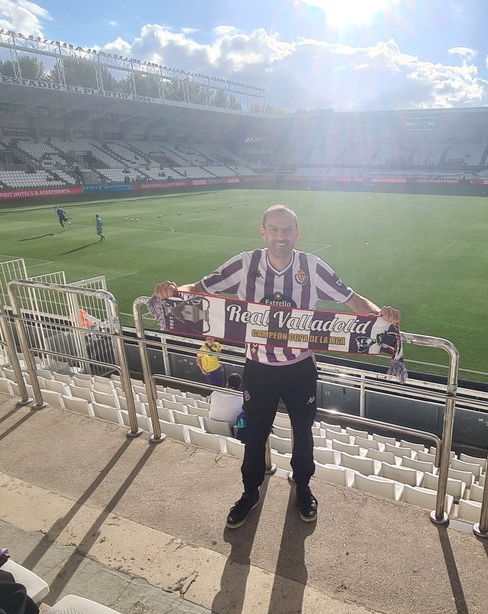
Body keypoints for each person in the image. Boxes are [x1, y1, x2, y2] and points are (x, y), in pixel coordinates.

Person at [152, 204, 400, 528]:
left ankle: (303, 488)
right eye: (274, 229)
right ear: (263, 232)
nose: (280, 236)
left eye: (287, 230)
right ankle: (249, 492)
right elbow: (199, 289)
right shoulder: (244, 264)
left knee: (303, 432)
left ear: (297, 233)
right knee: (254, 435)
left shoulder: (313, 267)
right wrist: (172, 292)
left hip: (299, 368)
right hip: (258, 367)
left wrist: (381, 316)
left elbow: (352, 300)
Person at [208, 373, 246, 438]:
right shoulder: (241, 398)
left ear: (227, 382)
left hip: (211, 425)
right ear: (239, 385)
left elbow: (209, 402)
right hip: (229, 429)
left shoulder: (215, 392)